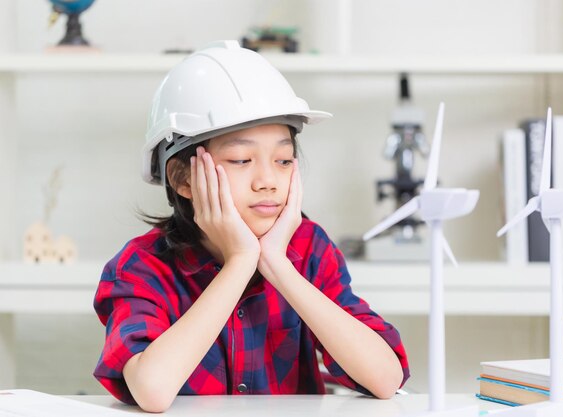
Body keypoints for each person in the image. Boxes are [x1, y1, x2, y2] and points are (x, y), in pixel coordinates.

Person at [93, 40, 410, 413]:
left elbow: (385, 379)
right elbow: (152, 391)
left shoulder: (308, 248)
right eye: (242, 159)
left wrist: (278, 265)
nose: (268, 181)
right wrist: (241, 259)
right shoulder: (142, 265)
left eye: (284, 160)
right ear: (182, 179)